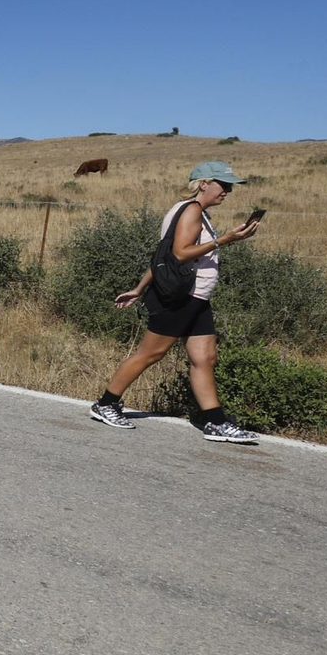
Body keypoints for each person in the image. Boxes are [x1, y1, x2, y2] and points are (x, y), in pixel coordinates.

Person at [90, 160, 262, 444]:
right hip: (180, 298)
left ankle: (216, 422)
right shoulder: (191, 211)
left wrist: (138, 288)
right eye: (224, 185)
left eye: (230, 186)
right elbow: (180, 254)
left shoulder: (194, 211)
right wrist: (227, 239)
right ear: (204, 183)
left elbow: (162, 258)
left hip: (197, 298)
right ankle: (106, 404)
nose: (228, 191)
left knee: (204, 358)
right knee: (150, 354)